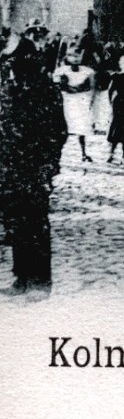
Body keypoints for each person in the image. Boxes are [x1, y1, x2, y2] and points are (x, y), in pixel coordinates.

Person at [0, 30, 66, 291]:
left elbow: (57, 131)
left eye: (15, 63)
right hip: (7, 166)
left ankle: (39, 281)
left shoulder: (45, 89)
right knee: (15, 222)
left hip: (33, 167)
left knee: (34, 222)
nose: (11, 69)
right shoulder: (7, 87)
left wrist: (48, 166)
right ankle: (21, 277)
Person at [52, 40, 97, 163]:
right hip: (67, 101)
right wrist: (70, 88)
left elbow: (91, 86)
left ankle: (83, 153)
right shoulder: (62, 70)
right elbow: (59, 85)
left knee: (81, 128)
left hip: (81, 101)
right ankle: (60, 153)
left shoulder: (87, 71)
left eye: (78, 56)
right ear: (68, 57)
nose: (76, 59)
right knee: (65, 127)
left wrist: (81, 90)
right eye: (73, 56)